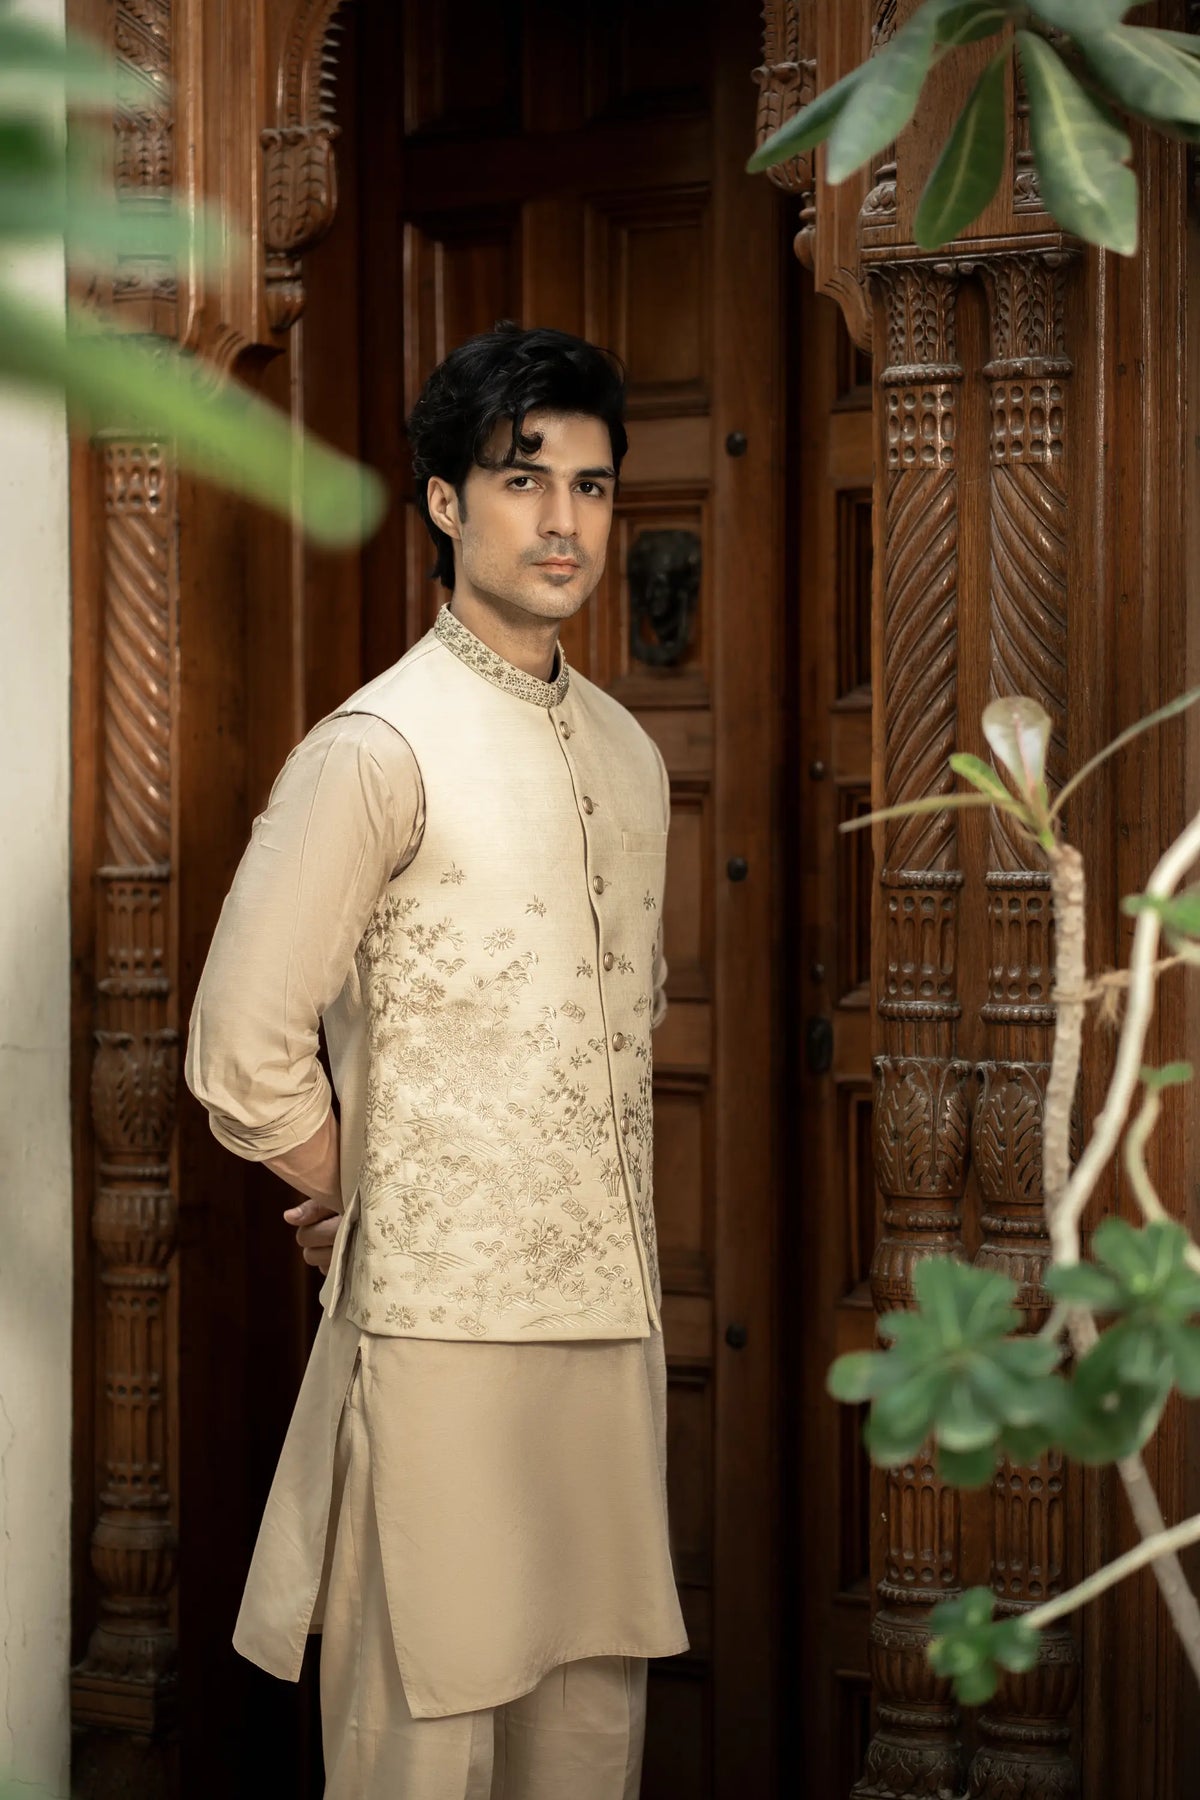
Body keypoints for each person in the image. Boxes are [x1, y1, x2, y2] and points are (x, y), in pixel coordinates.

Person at [184, 322, 687, 1799]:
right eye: (525, 481)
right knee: (423, 1741)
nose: (564, 522)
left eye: (593, 490)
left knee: (587, 1733)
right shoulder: (377, 748)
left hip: (609, 1327)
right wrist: (366, 1190)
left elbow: (610, 1033)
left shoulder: (627, 754)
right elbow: (240, 1045)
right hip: (435, 1340)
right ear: (447, 504)